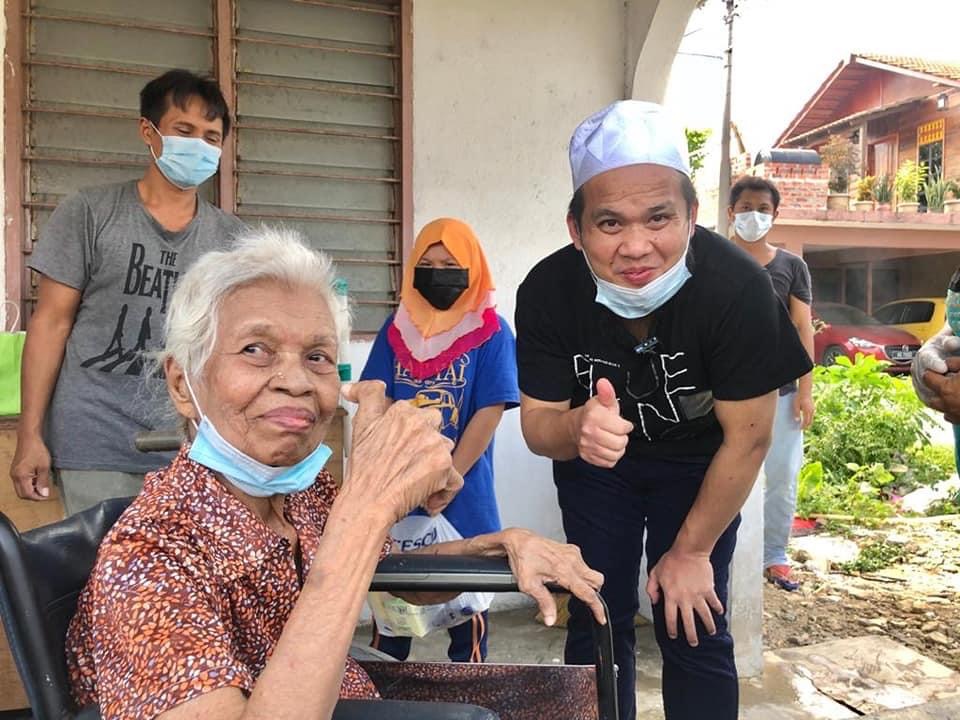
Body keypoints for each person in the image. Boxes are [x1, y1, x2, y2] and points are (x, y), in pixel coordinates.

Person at [65, 228, 606, 720]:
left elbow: (393, 577)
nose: (296, 381)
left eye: (319, 357)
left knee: (566, 700)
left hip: (355, 695)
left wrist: (502, 543)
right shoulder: (148, 557)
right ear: (183, 384)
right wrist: (367, 506)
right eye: (256, 350)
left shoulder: (301, 493)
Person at [514, 101, 812, 720]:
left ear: (693, 216)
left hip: (702, 464)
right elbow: (539, 425)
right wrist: (576, 427)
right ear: (576, 229)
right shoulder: (547, 291)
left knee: (693, 619)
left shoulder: (738, 289)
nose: (636, 246)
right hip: (597, 469)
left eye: (659, 218)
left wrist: (693, 552)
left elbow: (749, 439)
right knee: (596, 618)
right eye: (609, 224)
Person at [10, 69, 246, 515]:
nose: (199, 146)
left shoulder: (232, 239)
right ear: (148, 131)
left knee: (181, 581)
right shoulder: (89, 213)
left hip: (191, 446)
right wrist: (29, 435)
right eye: (185, 131)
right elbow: (50, 324)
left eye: (212, 137)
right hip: (93, 441)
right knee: (102, 577)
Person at [361, 217, 519, 663]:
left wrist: (449, 474)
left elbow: (490, 410)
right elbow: (377, 398)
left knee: (469, 607)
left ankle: (469, 691)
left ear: (473, 268)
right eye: (426, 264)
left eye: (450, 264)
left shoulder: (491, 332)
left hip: (462, 495)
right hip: (399, 490)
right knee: (392, 606)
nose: (437, 273)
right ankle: (382, 696)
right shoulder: (396, 332)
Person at [727, 176, 815, 591]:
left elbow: (802, 327)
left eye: (762, 208)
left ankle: (775, 556)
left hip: (780, 393)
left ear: (775, 215)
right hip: (724, 394)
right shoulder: (712, 260)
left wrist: (805, 391)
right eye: (745, 207)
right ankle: (723, 552)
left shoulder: (791, 267)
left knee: (782, 475)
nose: (753, 215)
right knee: (723, 473)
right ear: (731, 212)